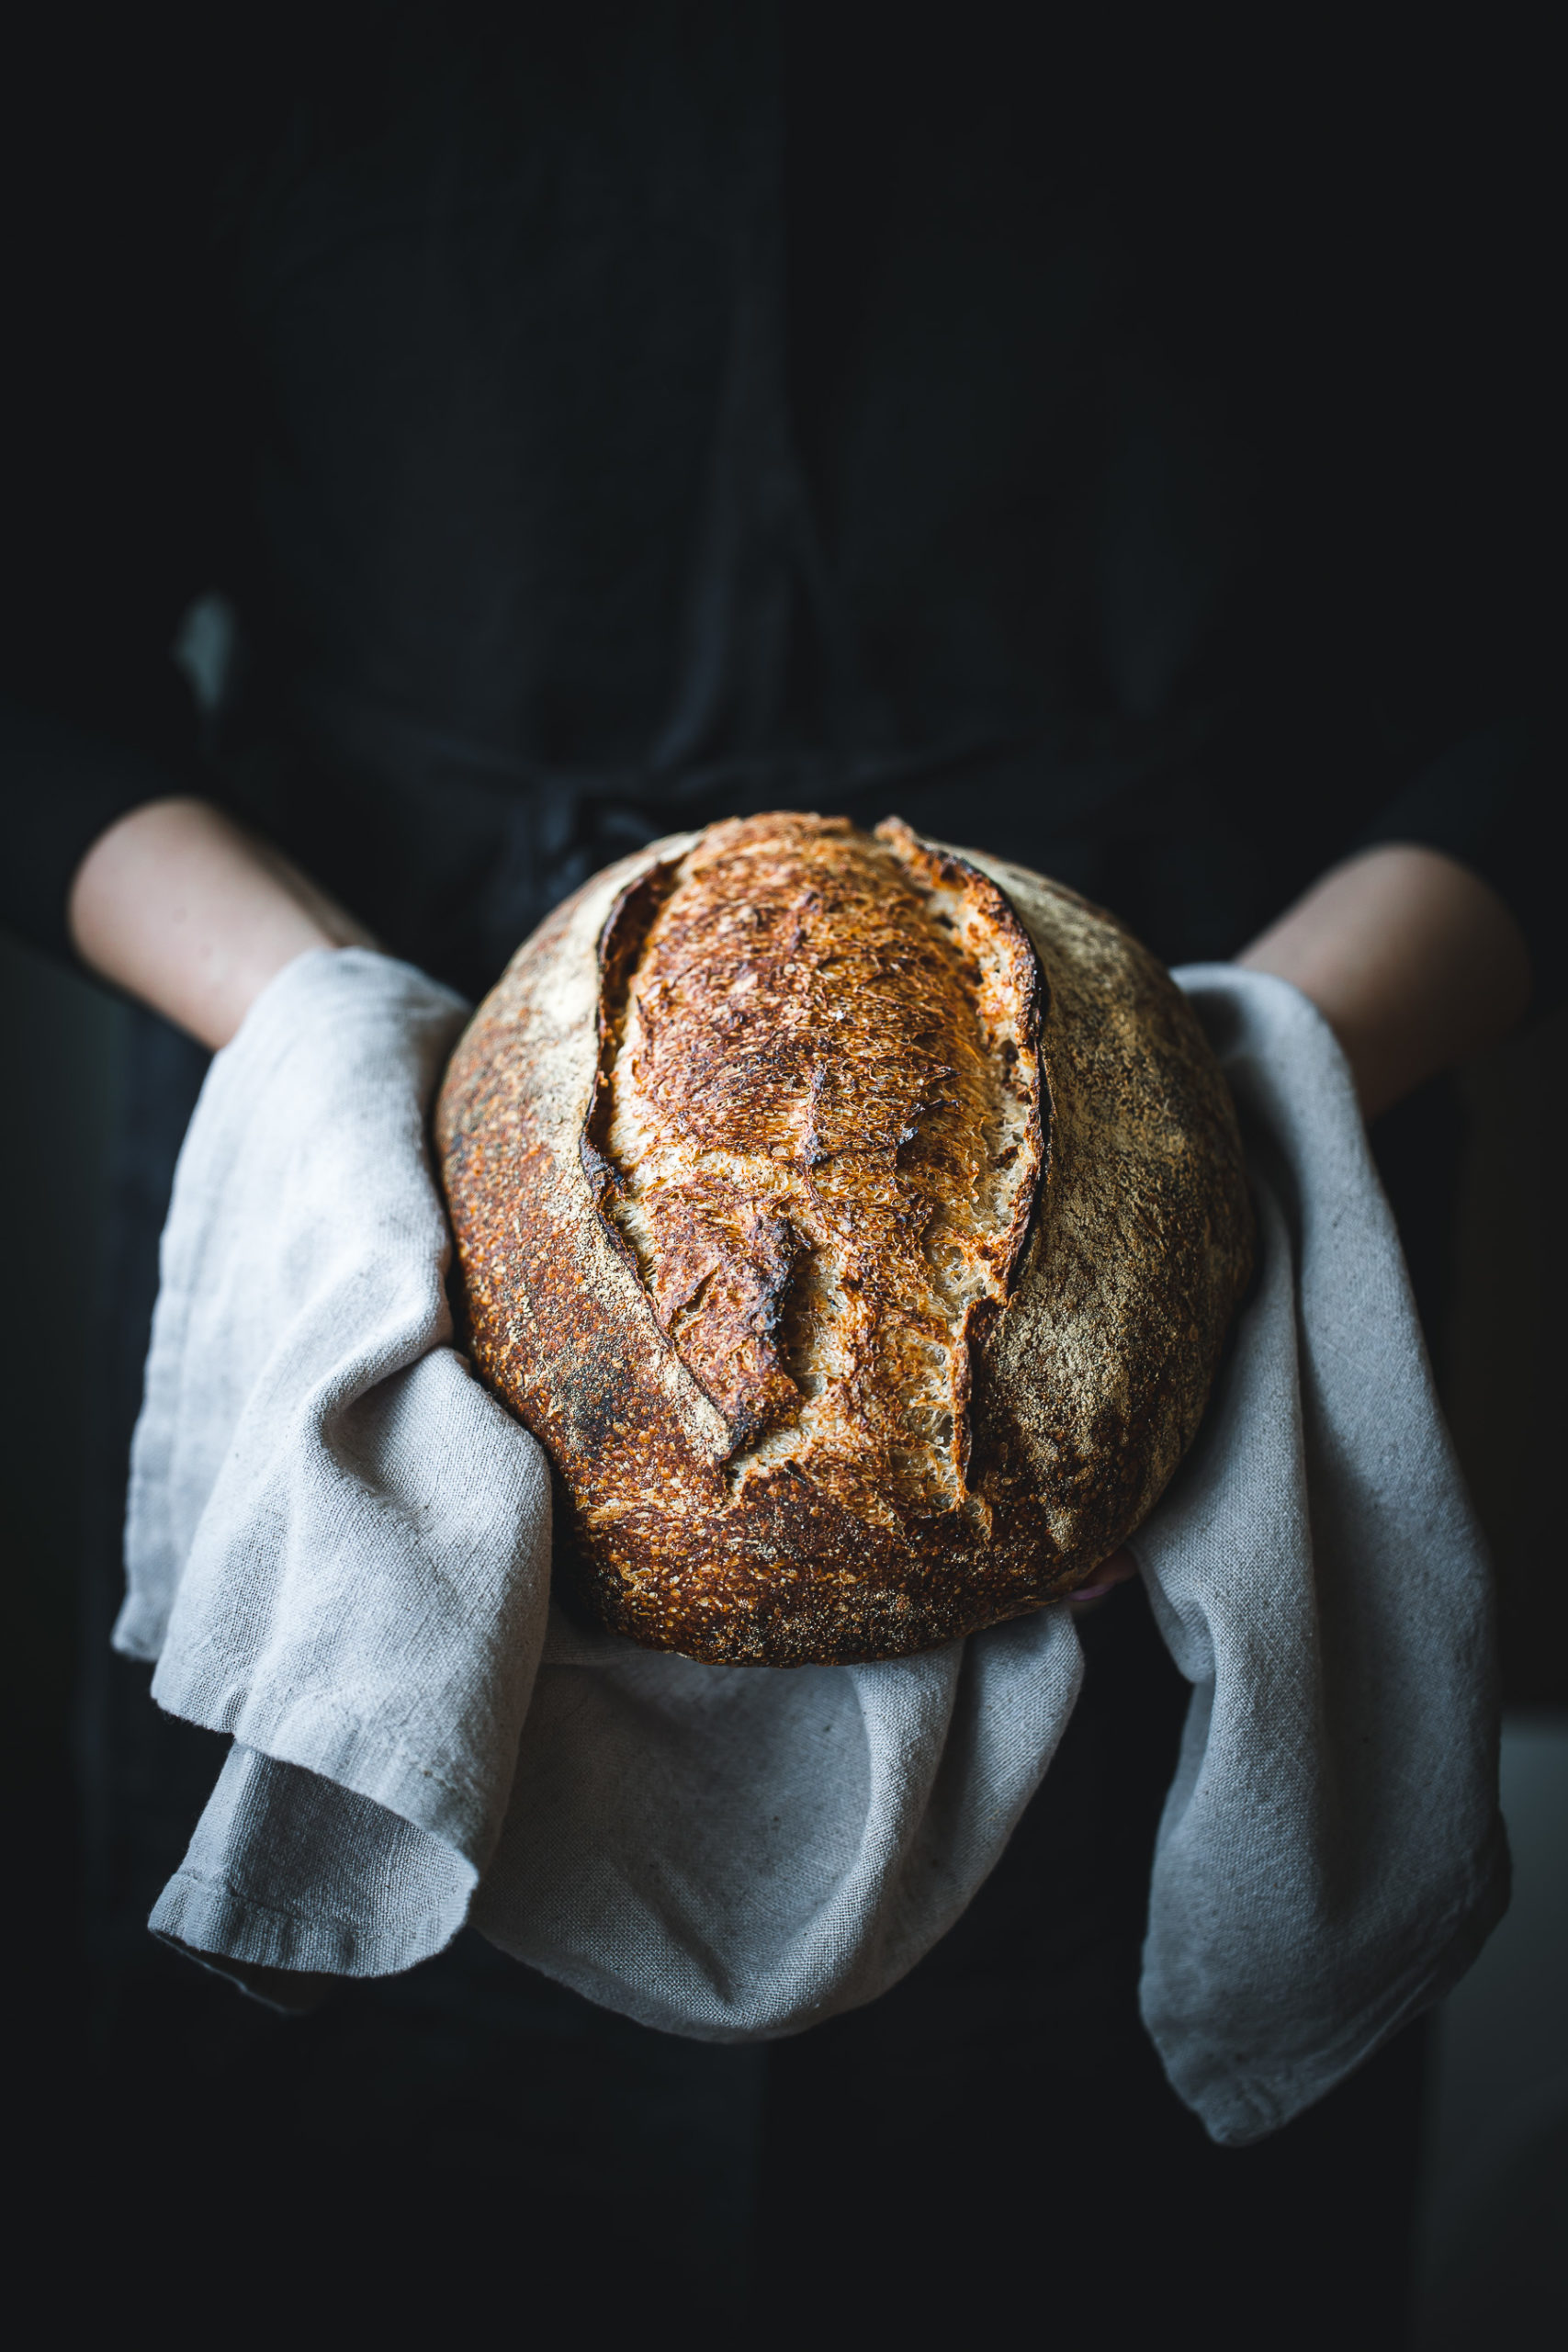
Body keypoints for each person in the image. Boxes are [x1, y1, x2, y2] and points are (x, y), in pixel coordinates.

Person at [2, 4, 1552, 2337]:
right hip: (363, 1139)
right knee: (381, 2215)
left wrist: (1245, 1088)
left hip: (1206, 1128)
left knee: (1101, 2235)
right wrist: (341, 1033)